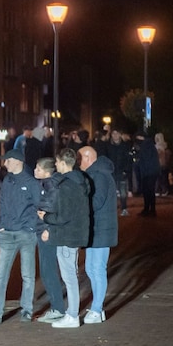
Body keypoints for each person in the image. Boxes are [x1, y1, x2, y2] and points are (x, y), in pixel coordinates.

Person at [0, 148, 40, 325]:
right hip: (7, 234)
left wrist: (30, 227)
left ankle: (27, 310)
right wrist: (2, 226)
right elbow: (2, 204)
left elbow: (39, 206)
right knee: (1, 275)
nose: (4, 163)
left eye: (7, 160)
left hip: (25, 234)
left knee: (27, 275)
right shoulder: (7, 180)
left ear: (16, 161)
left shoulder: (31, 182)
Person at [39, 148, 90, 329]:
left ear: (62, 163)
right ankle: (72, 313)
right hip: (72, 234)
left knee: (69, 277)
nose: (56, 165)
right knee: (70, 276)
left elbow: (64, 216)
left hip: (68, 236)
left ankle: (72, 315)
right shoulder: (80, 181)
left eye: (57, 162)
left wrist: (45, 217)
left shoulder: (67, 185)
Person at [78, 145, 118, 324]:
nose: (78, 162)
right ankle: (97, 307)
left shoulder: (99, 175)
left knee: (97, 268)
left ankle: (97, 308)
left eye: (80, 158)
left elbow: (97, 201)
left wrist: (77, 206)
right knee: (91, 268)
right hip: (97, 228)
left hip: (101, 229)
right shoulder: (96, 174)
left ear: (88, 158)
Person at [31, 158, 66, 323]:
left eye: (38, 168)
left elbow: (50, 209)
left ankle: (57, 308)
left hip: (46, 233)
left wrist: (47, 229)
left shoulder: (49, 186)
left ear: (47, 171)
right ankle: (56, 306)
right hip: (43, 231)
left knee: (48, 271)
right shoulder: (45, 185)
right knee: (47, 270)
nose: (35, 170)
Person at [102, 128, 133, 216]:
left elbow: (128, 159)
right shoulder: (108, 146)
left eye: (117, 133)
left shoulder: (125, 146)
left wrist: (126, 170)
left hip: (121, 171)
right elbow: (105, 158)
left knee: (122, 192)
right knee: (111, 191)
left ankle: (124, 208)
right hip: (111, 171)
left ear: (120, 134)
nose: (115, 135)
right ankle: (111, 209)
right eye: (113, 133)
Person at [135, 130, 160, 216]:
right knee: (149, 191)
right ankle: (150, 209)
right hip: (151, 171)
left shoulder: (145, 145)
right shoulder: (148, 144)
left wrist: (138, 159)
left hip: (148, 171)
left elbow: (145, 158)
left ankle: (149, 209)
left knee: (148, 191)